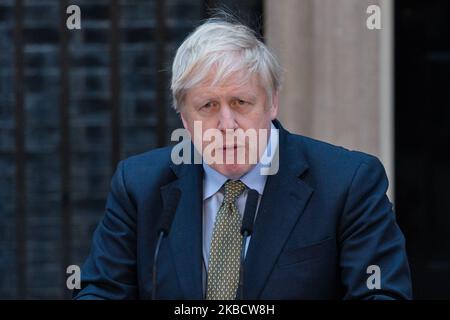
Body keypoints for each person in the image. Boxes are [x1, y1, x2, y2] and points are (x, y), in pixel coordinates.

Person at [73, 15, 412, 300]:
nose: (227, 125)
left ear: (272, 103)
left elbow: (381, 293)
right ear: (184, 119)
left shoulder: (347, 183)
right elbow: (101, 290)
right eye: (207, 106)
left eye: (240, 103)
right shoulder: (139, 185)